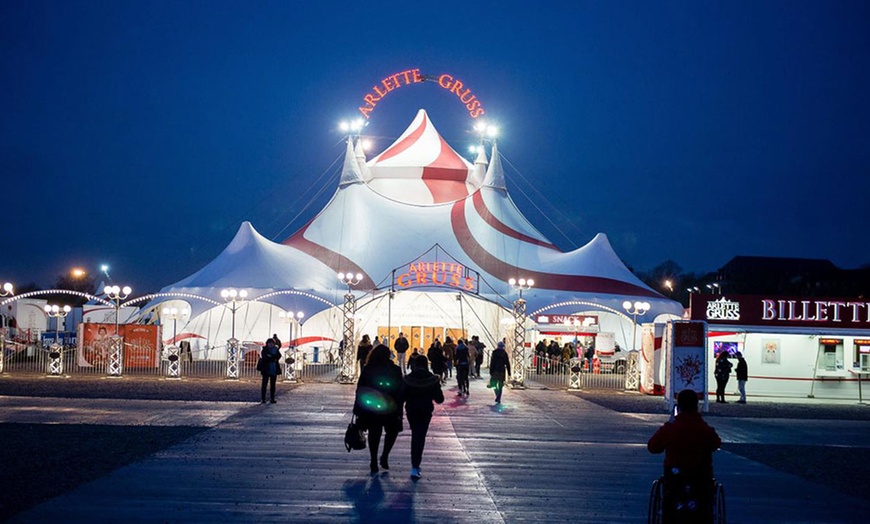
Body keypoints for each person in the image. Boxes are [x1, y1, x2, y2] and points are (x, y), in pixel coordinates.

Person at [648, 389, 722, 522]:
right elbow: (716, 443)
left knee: (671, 498)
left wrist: (669, 422)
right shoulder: (703, 428)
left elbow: (653, 447)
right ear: (696, 406)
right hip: (700, 476)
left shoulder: (671, 428)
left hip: (675, 476)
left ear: (678, 407)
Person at [353, 345, 403, 473]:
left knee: (374, 433)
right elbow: (400, 390)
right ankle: (385, 455)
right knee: (392, 431)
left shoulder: (368, 369)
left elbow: (360, 388)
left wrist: (357, 406)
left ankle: (373, 460)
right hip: (390, 406)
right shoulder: (395, 369)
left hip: (372, 407)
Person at [400, 355, 444, 480]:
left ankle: (415, 465)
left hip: (412, 411)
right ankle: (415, 465)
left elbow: (401, 397)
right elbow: (439, 399)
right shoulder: (432, 379)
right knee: (420, 436)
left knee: (415, 435)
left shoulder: (408, 379)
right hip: (425, 411)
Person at [259, 338, 282, 404]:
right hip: (266, 369)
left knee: (273, 385)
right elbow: (265, 358)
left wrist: (270, 357)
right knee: (264, 384)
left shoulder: (276, 349)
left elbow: (278, 356)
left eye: (272, 343)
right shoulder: (264, 350)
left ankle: (272, 398)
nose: (271, 344)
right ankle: (263, 399)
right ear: (267, 343)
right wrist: (273, 358)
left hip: (274, 369)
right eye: (269, 343)